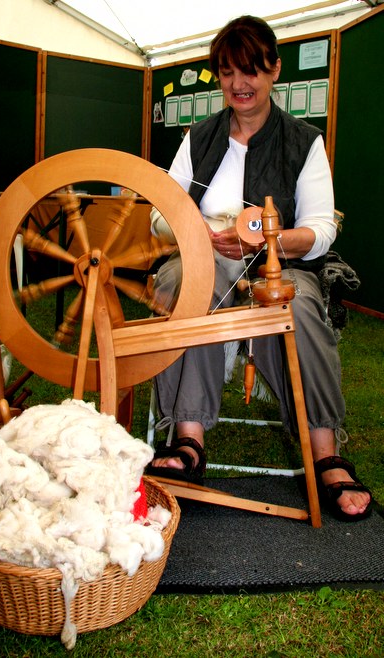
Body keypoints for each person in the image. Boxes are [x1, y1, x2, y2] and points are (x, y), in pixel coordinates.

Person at [147, 15, 372, 522]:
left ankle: (325, 453)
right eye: (227, 72)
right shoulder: (198, 137)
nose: (238, 84)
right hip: (205, 259)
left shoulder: (303, 141)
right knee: (185, 283)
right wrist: (196, 234)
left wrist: (266, 238)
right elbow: (162, 210)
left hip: (279, 265)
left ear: (273, 69)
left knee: (301, 305)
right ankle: (188, 439)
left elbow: (321, 228)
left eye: (250, 70)